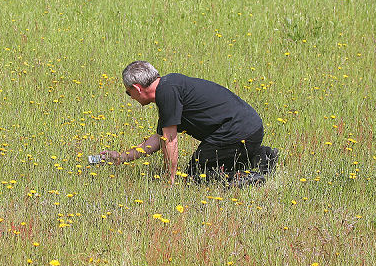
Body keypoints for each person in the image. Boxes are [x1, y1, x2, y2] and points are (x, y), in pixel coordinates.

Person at [102, 61, 279, 187]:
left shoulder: (167, 92)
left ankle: (246, 177)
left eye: (128, 93)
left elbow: (170, 140)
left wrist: (169, 179)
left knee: (195, 176)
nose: (130, 97)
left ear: (137, 88)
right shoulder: (169, 87)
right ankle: (261, 155)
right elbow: (159, 139)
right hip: (249, 130)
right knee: (207, 168)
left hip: (238, 132)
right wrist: (121, 158)